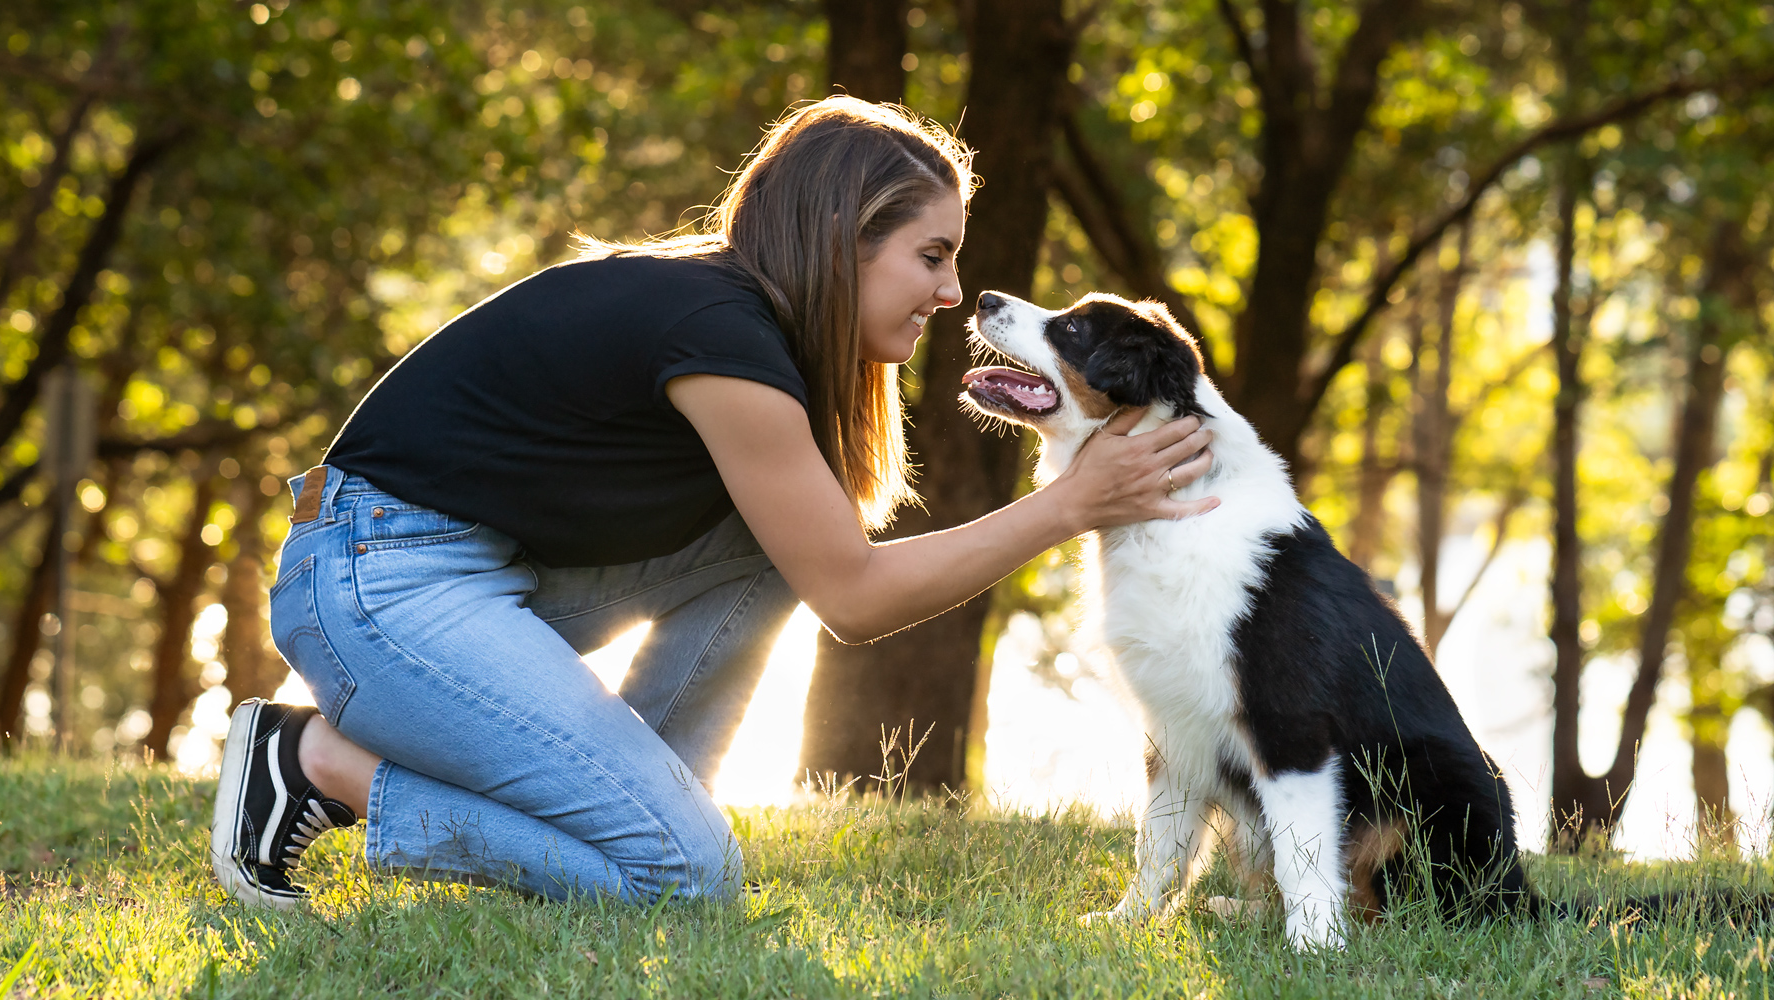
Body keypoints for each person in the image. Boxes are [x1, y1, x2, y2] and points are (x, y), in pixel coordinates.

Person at [209, 97, 1218, 910]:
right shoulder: (722, 336)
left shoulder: (747, 325)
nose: (951, 292)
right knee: (685, 875)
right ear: (842, 239)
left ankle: (638, 818)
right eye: (930, 254)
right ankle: (314, 760)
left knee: (772, 544)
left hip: (468, 568)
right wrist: (1069, 504)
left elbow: (819, 563)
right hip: (372, 580)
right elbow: (855, 599)